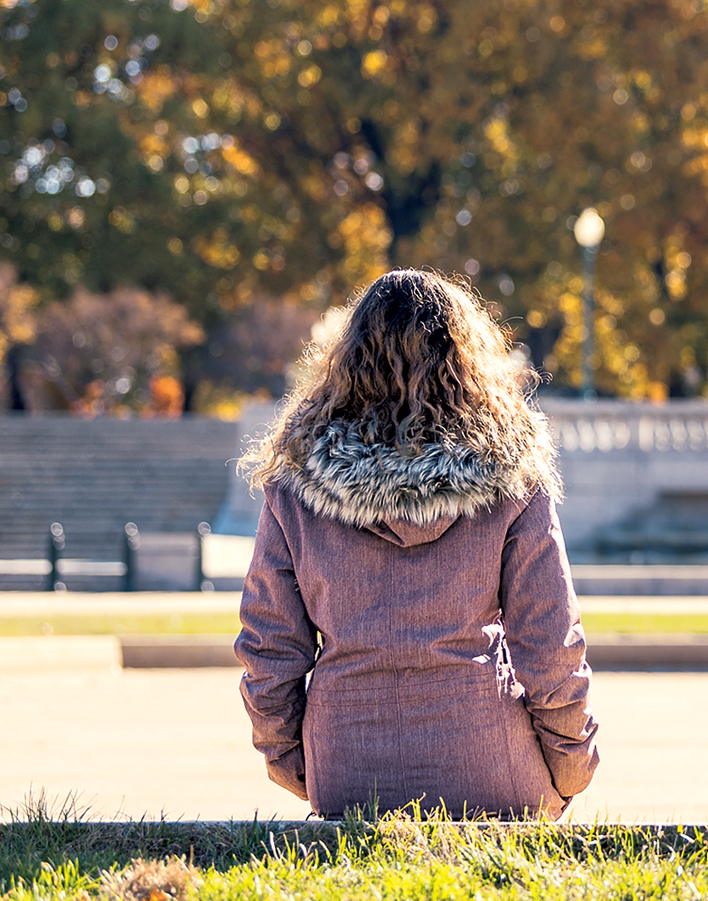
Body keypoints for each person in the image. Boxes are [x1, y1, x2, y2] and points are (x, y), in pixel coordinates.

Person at [235, 269, 597, 819]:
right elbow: (551, 644)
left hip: (346, 765)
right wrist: (571, 766)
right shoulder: (513, 478)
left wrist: (293, 760)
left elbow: (270, 647)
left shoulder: (295, 486)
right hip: (490, 763)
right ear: (467, 360)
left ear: (347, 360)